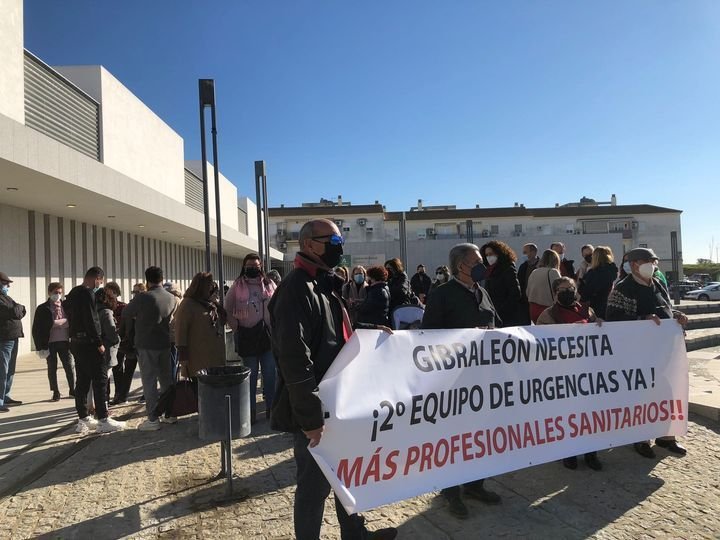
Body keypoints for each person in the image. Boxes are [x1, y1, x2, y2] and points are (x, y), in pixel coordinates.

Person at [269, 218, 397, 540]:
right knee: (314, 488)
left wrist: (368, 334)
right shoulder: (296, 289)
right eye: (333, 241)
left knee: (346, 476)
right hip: (319, 408)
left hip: (340, 400)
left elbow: (332, 338)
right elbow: (294, 360)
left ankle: (355, 533)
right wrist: (311, 417)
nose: (340, 248)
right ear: (309, 244)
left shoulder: (324, 285)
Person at [421, 243, 501, 518]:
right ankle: (451, 491)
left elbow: (497, 326)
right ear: (460, 266)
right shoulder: (442, 294)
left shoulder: (483, 292)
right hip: (455, 380)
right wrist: (467, 336)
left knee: (482, 434)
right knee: (456, 437)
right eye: (477, 261)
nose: (483, 265)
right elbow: (429, 336)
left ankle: (475, 484)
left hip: (485, 377)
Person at [605, 247, 689, 458]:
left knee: (666, 393)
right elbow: (613, 320)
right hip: (638, 355)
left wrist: (677, 316)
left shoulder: (658, 284)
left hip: (663, 352)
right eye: (648, 260)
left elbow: (665, 309)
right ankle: (639, 438)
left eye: (654, 261)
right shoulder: (622, 288)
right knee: (640, 397)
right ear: (634, 264)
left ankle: (666, 437)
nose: (652, 264)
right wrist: (642, 320)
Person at [536, 277, 603, 471]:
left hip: (587, 371)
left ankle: (591, 453)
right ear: (555, 293)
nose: (567, 292)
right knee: (568, 416)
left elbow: (596, 334)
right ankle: (569, 452)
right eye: (562, 289)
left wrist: (598, 323)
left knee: (590, 415)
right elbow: (541, 344)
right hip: (563, 374)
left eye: (570, 288)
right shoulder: (547, 315)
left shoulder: (586, 310)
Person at [64, 267, 125, 433]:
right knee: (100, 379)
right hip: (89, 342)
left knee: (82, 381)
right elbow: (91, 319)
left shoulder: (74, 292)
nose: (100, 285)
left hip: (75, 341)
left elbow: (68, 310)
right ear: (96, 278)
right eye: (100, 281)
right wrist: (98, 342)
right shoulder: (88, 293)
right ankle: (103, 419)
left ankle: (83, 417)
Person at [122, 266, 177, 431]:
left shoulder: (143, 297)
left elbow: (126, 313)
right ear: (162, 278)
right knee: (167, 380)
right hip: (165, 343)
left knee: (149, 381)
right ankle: (170, 413)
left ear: (147, 280)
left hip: (146, 344)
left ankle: (153, 418)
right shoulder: (171, 298)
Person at [226, 253, 277, 424]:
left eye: (256, 265)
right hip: (247, 336)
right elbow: (228, 308)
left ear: (261, 266)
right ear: (244, 266)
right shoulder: (237, 286)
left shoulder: (269, 284)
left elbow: (278, 303)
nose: (253, 268)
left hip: (268, 336)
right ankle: (250, 411)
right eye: (249, 265)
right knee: (250, 375)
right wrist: (237, 328)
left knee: (270, 374)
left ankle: (272, 408)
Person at [175, 272, 226, 377]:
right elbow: (180, 332)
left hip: (214, 357)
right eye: (209, 287)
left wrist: (215, 303)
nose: (211, 290)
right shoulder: (187, 304)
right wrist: (183, 358)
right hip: (197, 357)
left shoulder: (209, 304)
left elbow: (224, 319)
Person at [32, 282, 75, 402]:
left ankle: (73, 389)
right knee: (52, 367)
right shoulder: (43, 308)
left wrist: (58, 323)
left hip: (65, 341)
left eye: (60, 293)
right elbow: (37, 327)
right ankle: (55, 391)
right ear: (49, 293)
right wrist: (39, 346)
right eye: (55, 292)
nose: (58, 295)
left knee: (69, 366)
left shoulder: (66, 306)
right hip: (49, 342)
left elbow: (70, 321)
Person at [115, 282, 145, 404]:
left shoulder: (148, 306)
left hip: (144, 344)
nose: (135, 295)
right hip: (131, 344)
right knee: (128, 371)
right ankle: (123, 396)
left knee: (145, 372)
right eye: (134, 292)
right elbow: (123, 324)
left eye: (138, 292)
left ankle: (146, 395)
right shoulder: (130, 306)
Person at [0, 272, 26, 412]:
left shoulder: (6, 297)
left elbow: (21, 309)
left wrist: (18, 308)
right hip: (3, 339)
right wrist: (18, 309)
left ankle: (6, 395)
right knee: (2, 370)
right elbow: (16, 312)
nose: (8, 286)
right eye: (5, 283)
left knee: (10, 369)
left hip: (13, 337)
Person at [480, 241, 521, 327]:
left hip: (506, 316)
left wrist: (502, 310)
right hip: (493, 314)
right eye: (486, 255)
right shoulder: (487, 271)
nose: (489, 257)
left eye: (491, 254)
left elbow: (515, 293)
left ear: (499, 253)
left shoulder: (508, 269)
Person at [95, 288, 120, 412]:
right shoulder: (106, 312)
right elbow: (111, 330)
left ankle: (97, 406)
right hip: (107, 348)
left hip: (96, 348)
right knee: (105, 378)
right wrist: (117, 339)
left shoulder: (94, 310)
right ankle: (104, 406)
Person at [578, 246, 618, 318]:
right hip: (607, 305)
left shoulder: (594, 273)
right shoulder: (611, 270)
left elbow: (586, 292)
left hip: (594, 308)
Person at [527, 250, 562, 323]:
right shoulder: (553, 272)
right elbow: (560, 291)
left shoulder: (534, 272)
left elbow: (527, 292)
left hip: (533, 308)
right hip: (548, 309)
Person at [517, 243, 540, 325]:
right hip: (525, 302)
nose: (524, 255)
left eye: (525, 252)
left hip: (539, 302)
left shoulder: (542, 266)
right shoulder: (523, 267)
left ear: (533, 252)